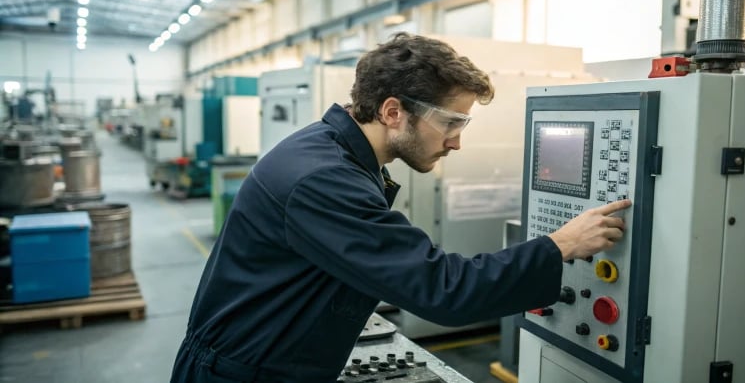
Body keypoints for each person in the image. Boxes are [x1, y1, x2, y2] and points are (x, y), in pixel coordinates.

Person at [170, 33, 630, 382]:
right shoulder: (323, 179)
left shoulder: (332, 151)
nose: (456, 141)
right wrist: (559, 245)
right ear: (393, 112)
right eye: (449, 122)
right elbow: (442, 289)